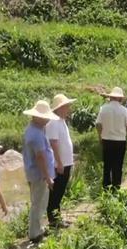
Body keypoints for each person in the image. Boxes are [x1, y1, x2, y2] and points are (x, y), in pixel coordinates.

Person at [22, 100, 59, 244]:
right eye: (45, 117)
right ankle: (35, 234)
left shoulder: (34, 129)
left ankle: (38, 229)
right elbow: (40, 157)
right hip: (39, 175)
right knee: (38, 203)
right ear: (38, 117)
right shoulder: (36, 134)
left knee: (40, 202)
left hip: (36, 174)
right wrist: (48, 176)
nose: (48, 120)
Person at [96, 87, 127, 190]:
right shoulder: (124, 110)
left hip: (106, 140)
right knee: (118, 165)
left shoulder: (103, 108)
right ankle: (116, 187)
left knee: (107, 164)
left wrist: (100, 136)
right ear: (120, 98)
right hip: (119, 141)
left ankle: (106, 186)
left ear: (111, 97)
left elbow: (98, 124)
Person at [46, 94, 77, 228]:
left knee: (60, 191)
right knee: (56, 192)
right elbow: (53, 143)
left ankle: (57, 217)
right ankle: (54, 220)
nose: (69, 109)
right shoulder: (53, 122)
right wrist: (58, 162)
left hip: (65, 162)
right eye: (66, 107)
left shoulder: (61, 120)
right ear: (60, 108)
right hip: (60, 163)